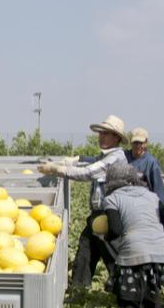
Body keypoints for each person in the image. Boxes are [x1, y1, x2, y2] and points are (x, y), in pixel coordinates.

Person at [39, 115, 129, 288]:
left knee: (113, 256)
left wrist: (58, 169)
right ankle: (79, 290)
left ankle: (125, 291)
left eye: (106, 134)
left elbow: (89, 172)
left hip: (110, 216)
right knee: (85, 252)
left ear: (116, 138)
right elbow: (88, 165)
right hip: (97, 215)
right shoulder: (104, 157)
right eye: (101, 133)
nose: (101, 137)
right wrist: (74, 161)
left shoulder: (116, 158)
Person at [100, 163, 164, 308]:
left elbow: (115, 229)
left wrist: (104, 237)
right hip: (160, 251)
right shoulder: (151, 195)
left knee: (129, 298)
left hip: (134, 251)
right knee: (152, 292)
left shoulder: (112, 199)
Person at [124, 127, 164, 203]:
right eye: (135, 142)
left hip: (143, 204)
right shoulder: (123, 157)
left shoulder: (151, 163)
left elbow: (159, 192)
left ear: (146, 143)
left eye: (141, 143)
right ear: (131, 142)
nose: (138, 146)